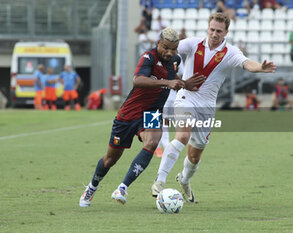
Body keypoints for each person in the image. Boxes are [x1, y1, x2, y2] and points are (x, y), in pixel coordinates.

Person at [151, 13, 276, 202]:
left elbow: (246, 63)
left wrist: (260, 67)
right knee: (182, 136)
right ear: (207, 28)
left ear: (226, 32)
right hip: (186, 98)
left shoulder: (230, 52)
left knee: (194, 156)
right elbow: (168, 49)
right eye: (211, 29)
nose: (214, 34)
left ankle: (184, 180)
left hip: (207, 107)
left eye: (218, 31)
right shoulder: (193, 44)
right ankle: (159, 181)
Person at [79, 28, 205, 207]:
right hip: (129, 114)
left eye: (174, 49)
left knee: (153, 142)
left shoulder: (175, 61)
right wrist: (167, 83)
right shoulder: (149, 57)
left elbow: (170, 76)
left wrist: (184, 83)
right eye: (166, 48)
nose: (170, 53)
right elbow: (137, 80)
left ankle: (122, 188)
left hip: (152, 111)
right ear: (158, 43)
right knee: (110, 159)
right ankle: (92, 186)